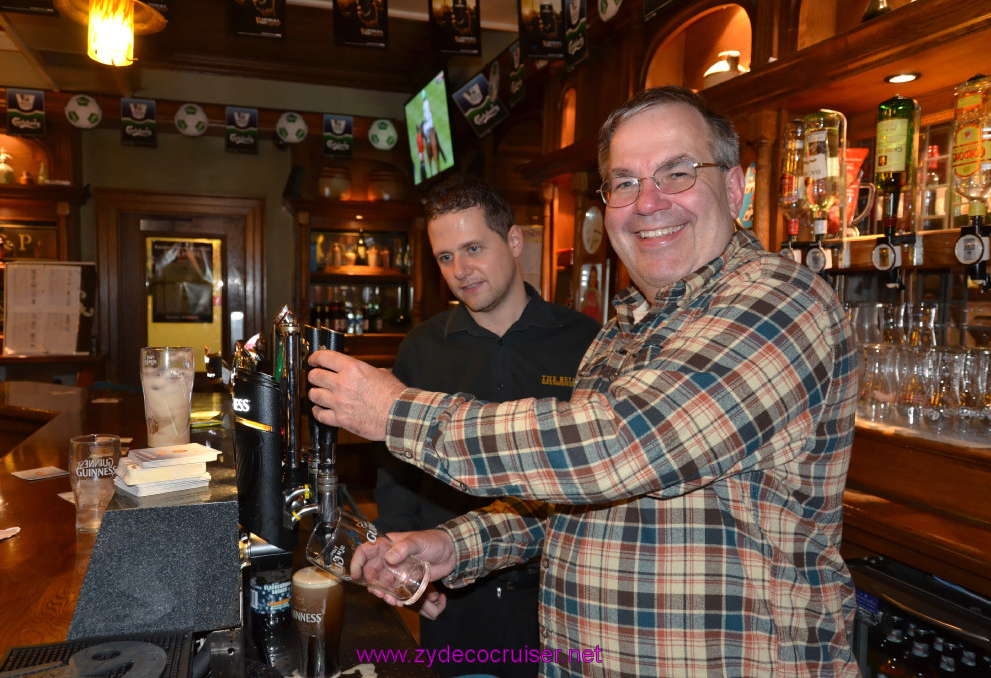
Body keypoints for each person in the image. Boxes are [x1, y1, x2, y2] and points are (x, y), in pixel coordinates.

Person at [308, 86, 861, 676]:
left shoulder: (777, 301)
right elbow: (578, 501)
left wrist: (395, 411)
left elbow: (617, 446)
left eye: (676, 173)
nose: (647, 203)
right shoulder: (624, 328)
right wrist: (455, 544)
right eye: (625, 183)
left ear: (733, 188)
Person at [373, 173, 601, 678]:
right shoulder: (421, 348)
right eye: (445, 257)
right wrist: (403, 571)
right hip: (453, 592)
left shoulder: (586, 341)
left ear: (514, 240)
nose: (461, 270)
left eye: (473, 248)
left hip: (556, 600)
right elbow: (396, 473)